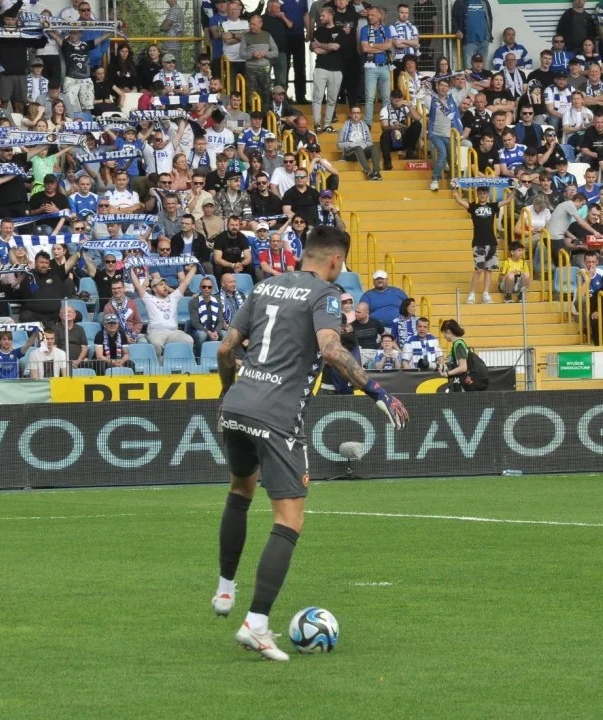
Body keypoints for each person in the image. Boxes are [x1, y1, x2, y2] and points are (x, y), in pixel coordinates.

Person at [213, 226, 408, 661]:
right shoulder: (325, 294)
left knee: (240, 490)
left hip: (237, 407)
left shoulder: (264, 287)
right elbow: (331, 350)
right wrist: (380, 392)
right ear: (336, 261)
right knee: (289, 520)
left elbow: (226, 351)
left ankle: (225, 590)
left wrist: (227, 394)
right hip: (277, 417)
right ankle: (256, 623)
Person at [130, 265, 198, 360]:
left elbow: (185, 282)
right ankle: (158, 365)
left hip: (173, 332)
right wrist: (130, 268)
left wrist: (195, 266)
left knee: (189, 340)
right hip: (155, 332)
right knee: (156, 344)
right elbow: (137, 285)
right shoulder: (149, 299)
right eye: (161, 285)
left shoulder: (173, 297)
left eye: (165, 284)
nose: (165, 286)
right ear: (154, 288)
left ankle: (183, 364)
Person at [439, 318, 486, 390]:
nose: (444, 336)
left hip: (464, 383)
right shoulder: (458, 344)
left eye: (444, 334)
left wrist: (448, 373)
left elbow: (463, 368)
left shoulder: (458, 345)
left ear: (448, 331)